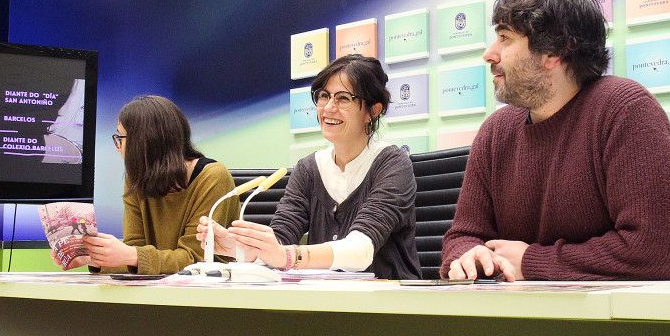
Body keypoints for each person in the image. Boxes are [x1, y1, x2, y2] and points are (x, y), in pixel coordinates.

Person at [440, 0, 670, 281]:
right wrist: (469, 255)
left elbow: (650, 252)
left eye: (505, 38)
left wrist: (531, 261)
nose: (489, 53)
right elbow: (462, 236)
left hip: (649, 318)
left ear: (554, 52)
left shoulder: (626, 110)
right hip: (541, 316)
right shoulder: (495, 132)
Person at [198, 55, 420, 279]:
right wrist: (243, 249)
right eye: (324, 96)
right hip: (325, 303)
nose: (329, 108)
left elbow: (360, 250)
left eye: (343, 99)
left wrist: (290, 257)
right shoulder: (308, 168)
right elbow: (281, 239)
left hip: (390, 304)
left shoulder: (393, 164)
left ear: (373, 111)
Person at [84, 95, 238, 274]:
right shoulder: (136, 178)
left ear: (143, 142)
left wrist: (131, 255)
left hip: (208, 294)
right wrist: (95, 258)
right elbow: (134, 253)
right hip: (152, 293)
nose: (117, 146)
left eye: (121, 138)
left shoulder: (212, 177)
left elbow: (195, 259)